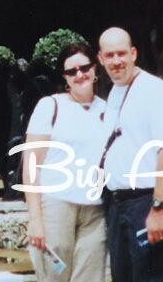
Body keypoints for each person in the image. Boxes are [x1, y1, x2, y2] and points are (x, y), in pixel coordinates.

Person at [97, 27, 163, 282]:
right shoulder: (113, 94)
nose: (116, 61)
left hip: (147, 203)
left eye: (122, 53)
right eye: (109, 55)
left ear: (133, 53)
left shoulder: (154, 90)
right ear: (101, 59)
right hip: (119, 206)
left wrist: (158, 208)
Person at [24, 42, 108, 282]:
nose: (80, 75)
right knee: (55, 275)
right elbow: (31, 164)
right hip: (56, 207)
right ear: (65, 77)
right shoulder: (51, 106)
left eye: (84, 68)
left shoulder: (108, 109)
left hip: (95, 211)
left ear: (95, 68)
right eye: (72, 71)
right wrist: (35, 219)